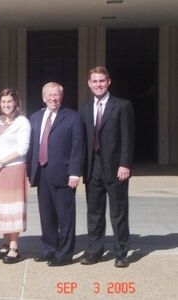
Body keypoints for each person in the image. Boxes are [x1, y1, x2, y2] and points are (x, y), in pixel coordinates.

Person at [79, 66, 135, 268]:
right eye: (94, 81)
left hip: (115, 168)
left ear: (108, 82)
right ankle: (95, 250)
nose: (98, 84)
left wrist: (125, 164)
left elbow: (128, 138)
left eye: (102, 81)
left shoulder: (122, 105)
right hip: (92, 168)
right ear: (89, 83)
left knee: (118, 211)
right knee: (94, 211)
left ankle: (121, 252)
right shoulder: (84, 109)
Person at [28, 82, 83, 266]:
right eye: (49, 95)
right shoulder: (35, 117)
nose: (53, 98)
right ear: (43, 97)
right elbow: (31, 147)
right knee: (46, 215)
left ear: (61, 97)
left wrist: (74, 173)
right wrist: (29, 172)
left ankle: (65, 254)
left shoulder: (73, 117)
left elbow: (77, 147)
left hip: (63, 174)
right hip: (41, 173)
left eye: (56, 95)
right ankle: (49, 249)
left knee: (65, 216)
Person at [0, 88, 30, 264]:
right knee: (1, 208)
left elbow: (23, 148)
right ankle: (5, 242)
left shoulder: (22, 122)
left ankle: (14, 247)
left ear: (16, 103)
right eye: (3, 102)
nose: (6, 105)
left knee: (13, 208)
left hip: (13, 168)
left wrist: (3, 161)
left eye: (9, 102)